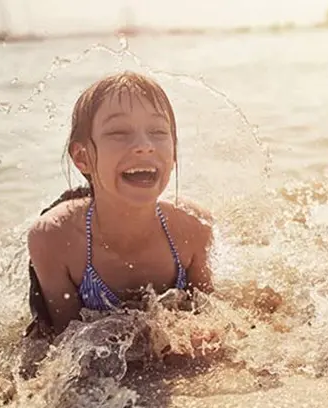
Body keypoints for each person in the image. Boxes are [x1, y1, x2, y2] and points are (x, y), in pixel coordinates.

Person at [26, 71, 213, 337]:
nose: (144, 146)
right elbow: (63, 346)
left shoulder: (193, 227)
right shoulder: (55, 239)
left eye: (158, 131)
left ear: (173, 154)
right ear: (83, 157)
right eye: (119, 132)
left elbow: (210, 326)